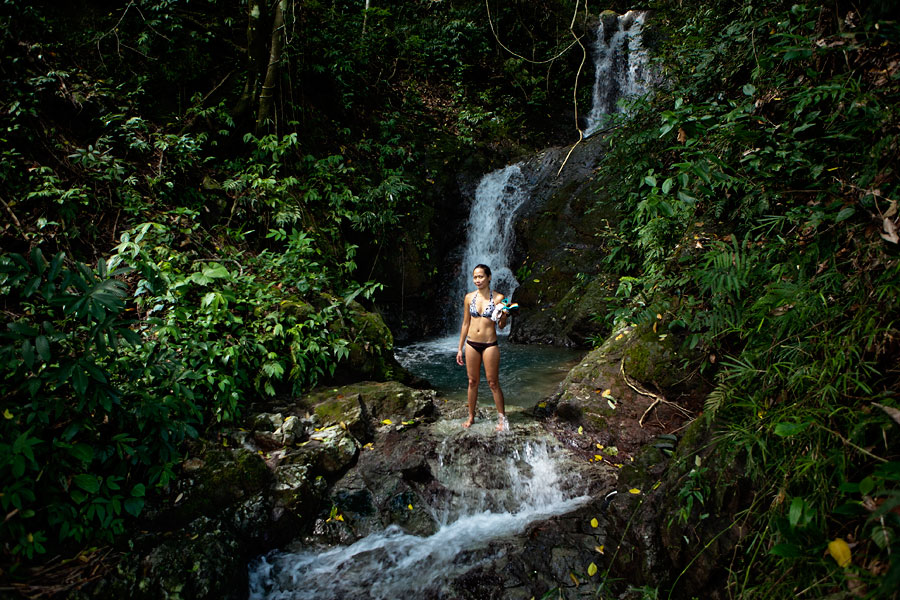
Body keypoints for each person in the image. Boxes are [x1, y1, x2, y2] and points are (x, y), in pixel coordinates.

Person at [456, 264, 509, 431]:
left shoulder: (499, 298)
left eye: (481, 276)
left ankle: (502, 419)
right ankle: (471, 416)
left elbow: (501, 326)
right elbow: (465, 323)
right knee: (472, 382)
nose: (477, 280)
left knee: (493, 382)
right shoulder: (469, 298)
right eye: (475, 277)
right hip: (471, 343)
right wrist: (460, 348)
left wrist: (504, 315)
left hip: (489, 344)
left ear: (489, 277)